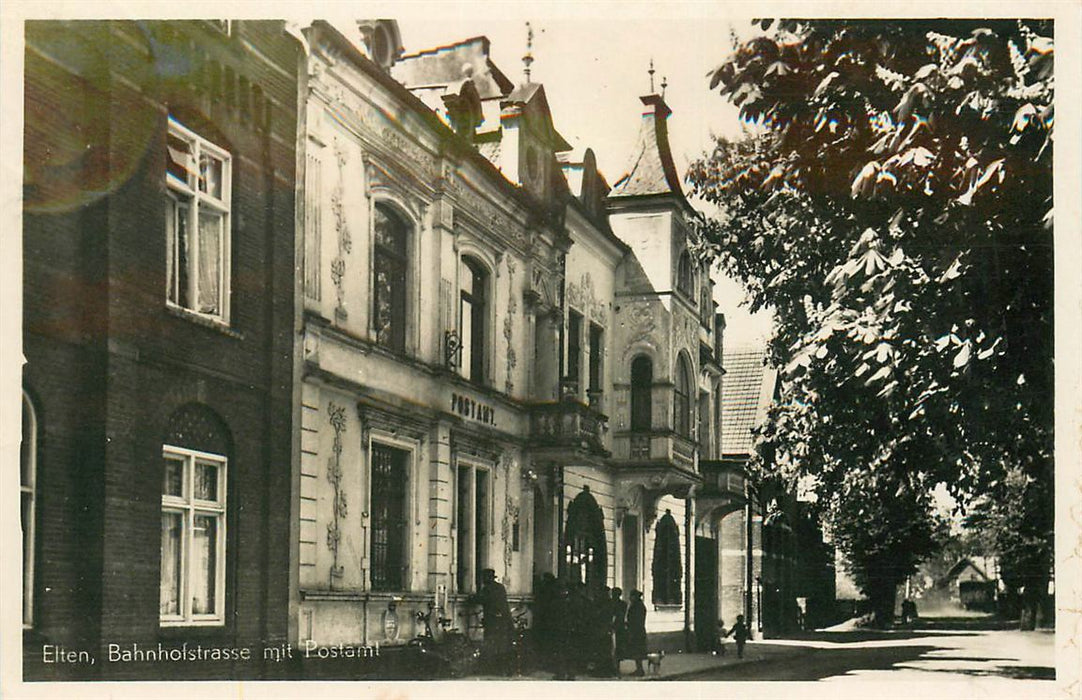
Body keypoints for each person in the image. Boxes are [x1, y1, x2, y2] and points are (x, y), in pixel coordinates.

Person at [468, 569, 514, 675]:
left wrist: (471, 598)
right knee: (503, 645)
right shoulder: (500, 587)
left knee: (491, 644)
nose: (483, 580)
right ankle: (505, 670)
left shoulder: (487, 589)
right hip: (504, 620)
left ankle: (494, 669)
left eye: (484, 577)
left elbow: (482, 599)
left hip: (493, 621)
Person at [625, 589, 648, 676]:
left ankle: (640, 670)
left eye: (631, 596)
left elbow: (636, 620)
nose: (630, 598)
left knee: (637, 651)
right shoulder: (638, 605)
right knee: (637, 651)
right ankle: (639, 669)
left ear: (635, 597)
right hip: (638, 631)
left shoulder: (637, 607)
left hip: (637, 631)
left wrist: (629, 626)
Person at [610, 587, 628, 673]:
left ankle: (615, 667)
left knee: (616, 648)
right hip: (619, 628)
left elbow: (618, 616)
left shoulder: (612, 604)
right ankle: (616, 667)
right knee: (617, 648)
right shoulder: (623, 604)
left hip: (615, 628)